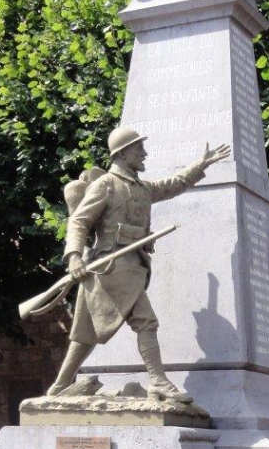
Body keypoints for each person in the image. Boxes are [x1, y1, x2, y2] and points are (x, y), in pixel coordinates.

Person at [47, 126, 230, 400]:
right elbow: (79, 221)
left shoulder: (143, 188)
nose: (143, 153)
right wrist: (73, 256)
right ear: (121, 154)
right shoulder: (105, 185)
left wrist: (200, 164)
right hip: (110, 268)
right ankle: (158, 381)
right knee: (146, 322)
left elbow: (174, 184)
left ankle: (59, 387)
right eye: (138, 149)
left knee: (85, 335)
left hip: (132, 266)